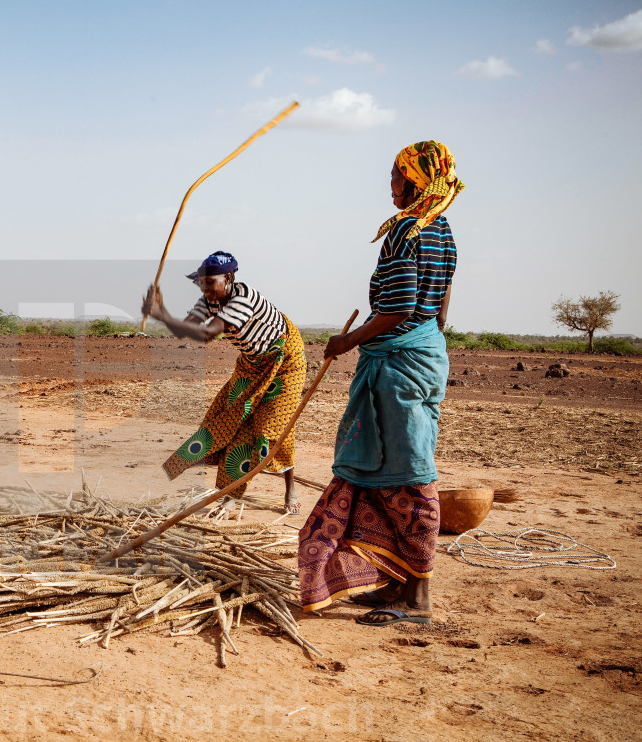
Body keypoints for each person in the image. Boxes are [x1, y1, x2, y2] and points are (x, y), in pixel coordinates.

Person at [297, 140, 463, 626]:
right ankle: (395, 579)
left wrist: (346, 342)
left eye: (395, 174)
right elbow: (440, 304)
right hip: (424, 355)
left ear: (416, 178)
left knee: (409, 476)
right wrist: (422, 337)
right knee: (386, 472)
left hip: (398, 368)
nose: (390, 184)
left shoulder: (408, 231)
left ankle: (417, 596)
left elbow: (398, 308)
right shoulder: (443, 229)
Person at [142, 251, 306, 512]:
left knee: (272, 427)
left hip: (285, 361)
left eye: (210, 282)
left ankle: (290, 489)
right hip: (252, 364)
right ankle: (231, 493)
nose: (204, 288)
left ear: (228, 278)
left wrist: (162, 315)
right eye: (201, 283)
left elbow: (207, 334)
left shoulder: (243, 298)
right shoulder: (209, 300)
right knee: (230, 419)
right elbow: (185, 329)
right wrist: (162, 313)